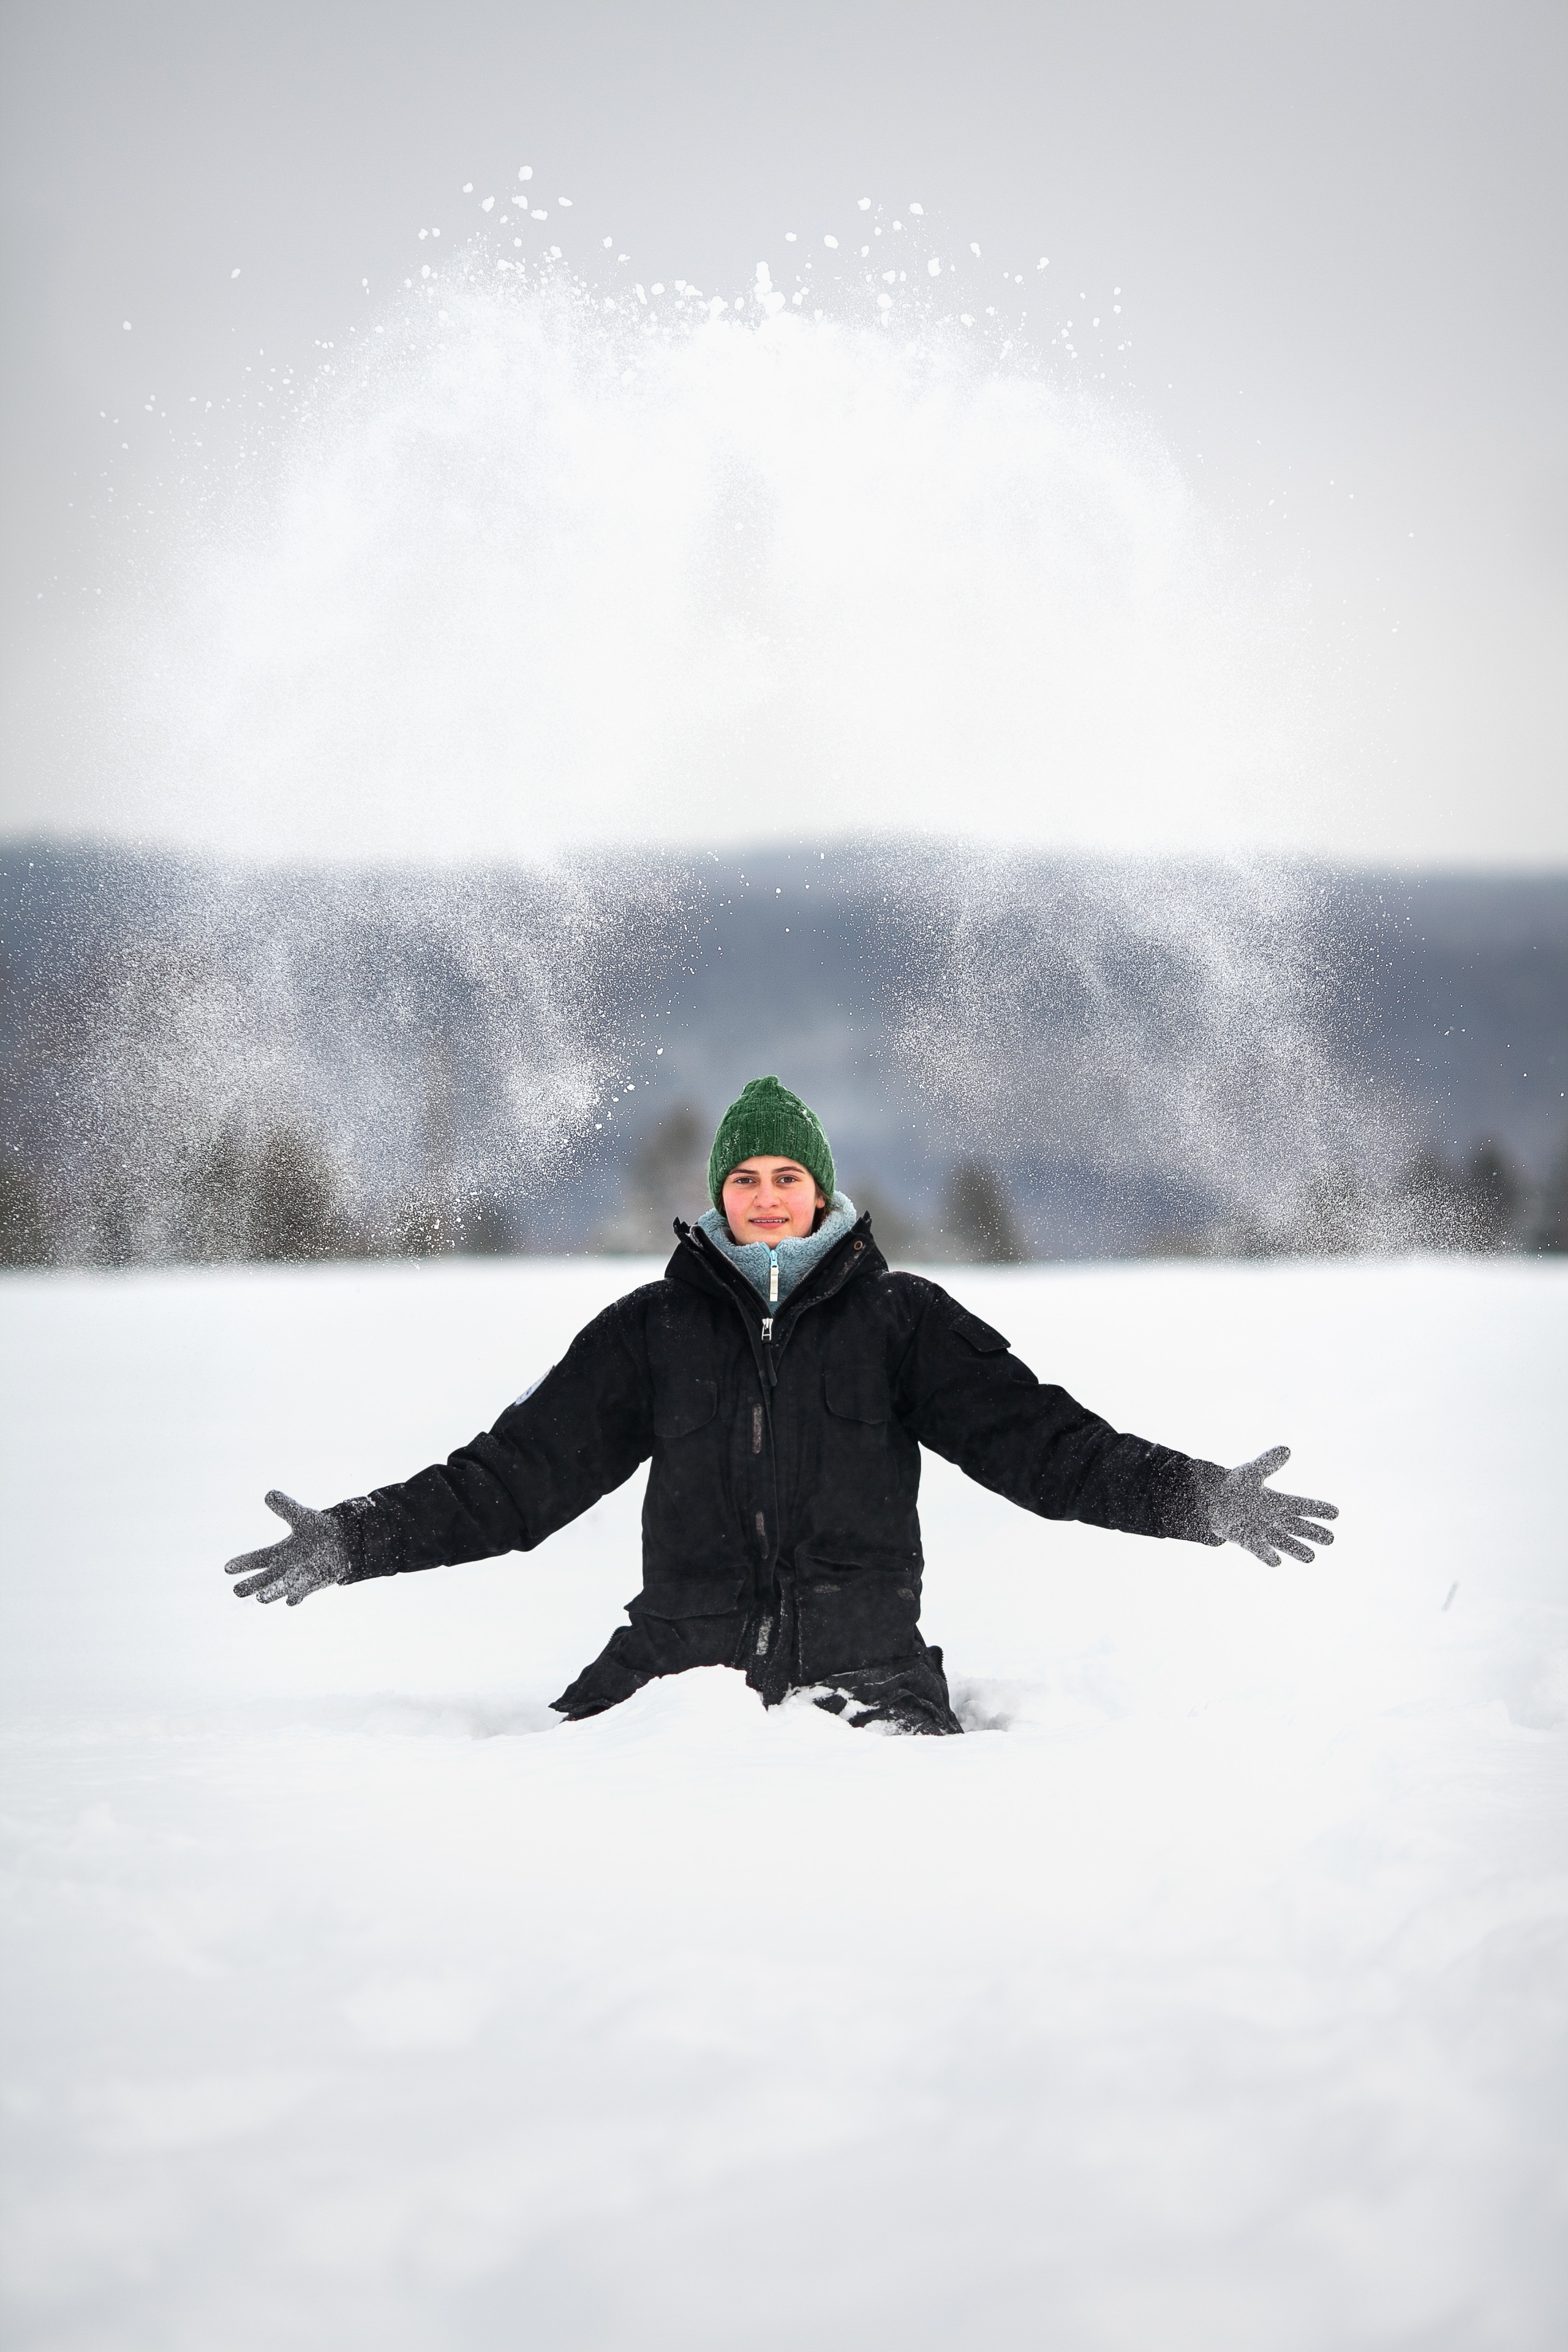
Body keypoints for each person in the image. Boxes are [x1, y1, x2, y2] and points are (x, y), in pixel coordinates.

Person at [224, 1075, 1338, 1735]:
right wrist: (352, 1540)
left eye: (785, 1180)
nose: (765, 1198)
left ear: (823, 1194)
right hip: (672, 1685)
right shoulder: (648, 1334)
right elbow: (513, 1483)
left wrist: (1201, 1501)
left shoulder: (904, 1322)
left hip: (872, 1686)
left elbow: (1047, 1449)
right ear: (719, 1196)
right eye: (744, 1180)